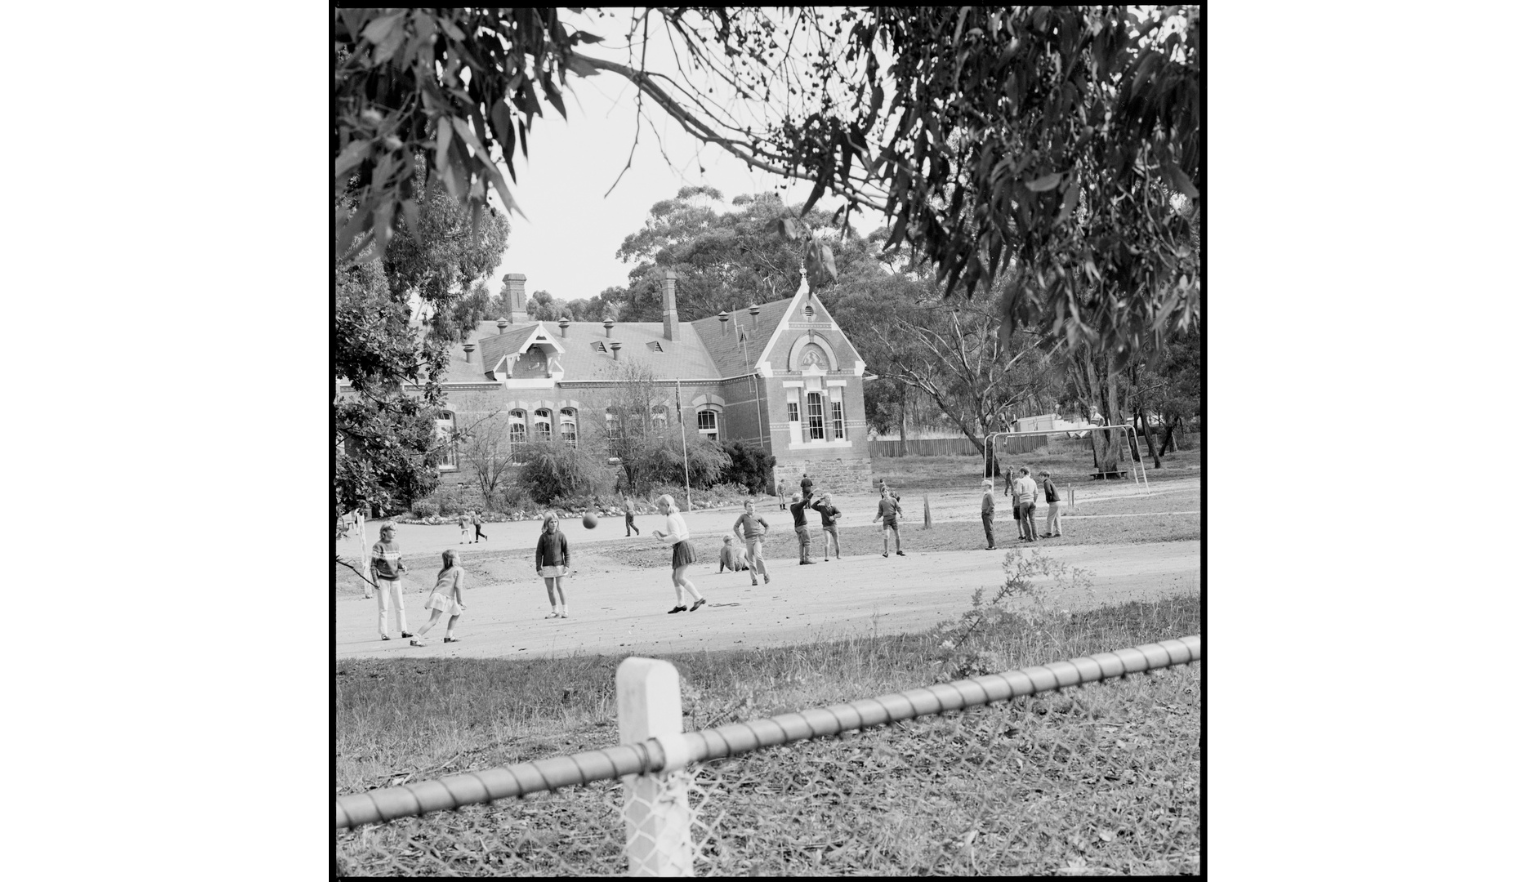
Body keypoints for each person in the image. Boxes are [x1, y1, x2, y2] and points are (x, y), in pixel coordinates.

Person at [652, 494, 706, 613]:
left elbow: (676, 536)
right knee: (675, 577)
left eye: (660, 506)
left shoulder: (671, 518)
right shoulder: (675, 515)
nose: (658, 509)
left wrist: (662, 539)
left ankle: (698, 598)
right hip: (681, 545)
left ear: (667, 505)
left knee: (679, 577)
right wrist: (663, 535)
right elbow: (677, 534)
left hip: (682, 546)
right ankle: (681, 604)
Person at [411, 549, 466, 645]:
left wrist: (429, 600)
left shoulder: (443, 571)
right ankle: (415, 639)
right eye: (458, 556)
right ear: (453, 560)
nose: (459, 558)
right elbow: (458, 586)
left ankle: (449, 636)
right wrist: (460, 600)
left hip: (438, 595)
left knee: (456, 613)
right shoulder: (459, 570)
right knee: (433, 621)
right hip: (444, 596)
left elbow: (436, 586)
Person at [370, 522, 413, 640]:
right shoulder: (378, 546)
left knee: (400, 605)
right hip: (383, 579)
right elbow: (373, 565)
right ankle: (384, 633)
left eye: (395, 530)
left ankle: (404, 630)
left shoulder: (396, 545)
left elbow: (396, 561)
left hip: (395, 579)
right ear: (384, 532)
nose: (395, 533)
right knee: (383, 607)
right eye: (393, 530)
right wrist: (375, 580)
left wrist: (402, 566)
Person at [535, 514, 572, 618]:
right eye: (551, 522)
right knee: (550, 590)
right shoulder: (543, 537)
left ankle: (565, 610)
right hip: (546, 567)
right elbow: (539, 553)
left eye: (555, 522)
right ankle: (555, 610)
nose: (554, 524)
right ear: (547, 523)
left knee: (560, 587)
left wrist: (567, 565)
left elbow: (567, 552)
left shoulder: (561, 535)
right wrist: (538, 567)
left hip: (560, 566)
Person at [732, 499, 772, 585]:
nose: (751, 507)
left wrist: (764, 535)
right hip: (748, 540)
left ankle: (766, 575)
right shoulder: (743, 517)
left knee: (758, 556)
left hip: (757, 538)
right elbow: (735, 527)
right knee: (751, 560)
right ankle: (754, 579)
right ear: (745, 508)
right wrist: (741, 537)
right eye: (749, 506)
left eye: (753, 505)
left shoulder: (758, 516)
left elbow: (767, 526)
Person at [872, 488, 905, 557]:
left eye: (886, 491)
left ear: (888, 492)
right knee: (886, 535)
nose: (885, 493)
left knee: (898, 535)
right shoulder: (881, 502)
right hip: (886, 520)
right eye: (883, 492)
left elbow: (898, 508)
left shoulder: (893, 500)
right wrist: (876, 519)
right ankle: (886, 552)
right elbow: (880, 512)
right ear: (882, 493)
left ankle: (898, 550)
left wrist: (901, 513)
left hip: (893, 519)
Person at [810, 491, 842, 560]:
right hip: (826, 527)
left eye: (830, 497)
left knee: (836, 541)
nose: (829, 499)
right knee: (827, 542)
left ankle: (838, 555)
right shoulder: (821, 507)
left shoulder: (833, 507)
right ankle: (827, 556)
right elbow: (812, 506)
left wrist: (834, 517)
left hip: (834, 526)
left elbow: (840, 514)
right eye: (827, 497)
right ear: (824, 499)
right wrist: (819, 500)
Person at [1014, 467, 1039, 541]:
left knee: (1024, 520)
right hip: (1031, 501)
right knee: (1033, 520)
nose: (1020, 475)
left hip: (1024, 502)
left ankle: (1028, 537)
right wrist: (1034, 500)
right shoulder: (1033, 481)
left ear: (1023, 472)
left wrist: (1016, 492)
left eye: (1020, 473)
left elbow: (1019, 492)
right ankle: (1036, 536)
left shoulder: (1021, 481)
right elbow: (1036, 493)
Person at [788, 492, 815, 565]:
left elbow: (803, 501)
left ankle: (801, 559)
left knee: (801, 544)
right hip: (803, 526)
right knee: (807, 542)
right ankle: (807, 559)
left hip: (797, 526)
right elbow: (806, 500)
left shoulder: (792, 506)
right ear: (798, 499)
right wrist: (812, 493)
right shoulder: (798, 506)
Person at [1040, 469, 1062, 538]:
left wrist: (1048, 499)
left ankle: (1049, 533)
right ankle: (1058, 532)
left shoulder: (1046, 482)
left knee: (1050, 518)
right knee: (1056, 518)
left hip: (1053, 502)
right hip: (1057, 502)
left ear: (1045, 476)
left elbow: (1048, 492)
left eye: (1041, 476)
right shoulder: (1050, 481)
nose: (1040, 478)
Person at [981, 480, 998, 550]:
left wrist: (987, 512)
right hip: (985, 513)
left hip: (988, 513)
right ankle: (990, 544)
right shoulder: (986, 494)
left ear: (988, 486)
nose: (982, 487)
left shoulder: (989, 494)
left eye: (984, 486)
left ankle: (992, 545)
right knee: (987, 529)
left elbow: (992, 504)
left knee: (989, 529)